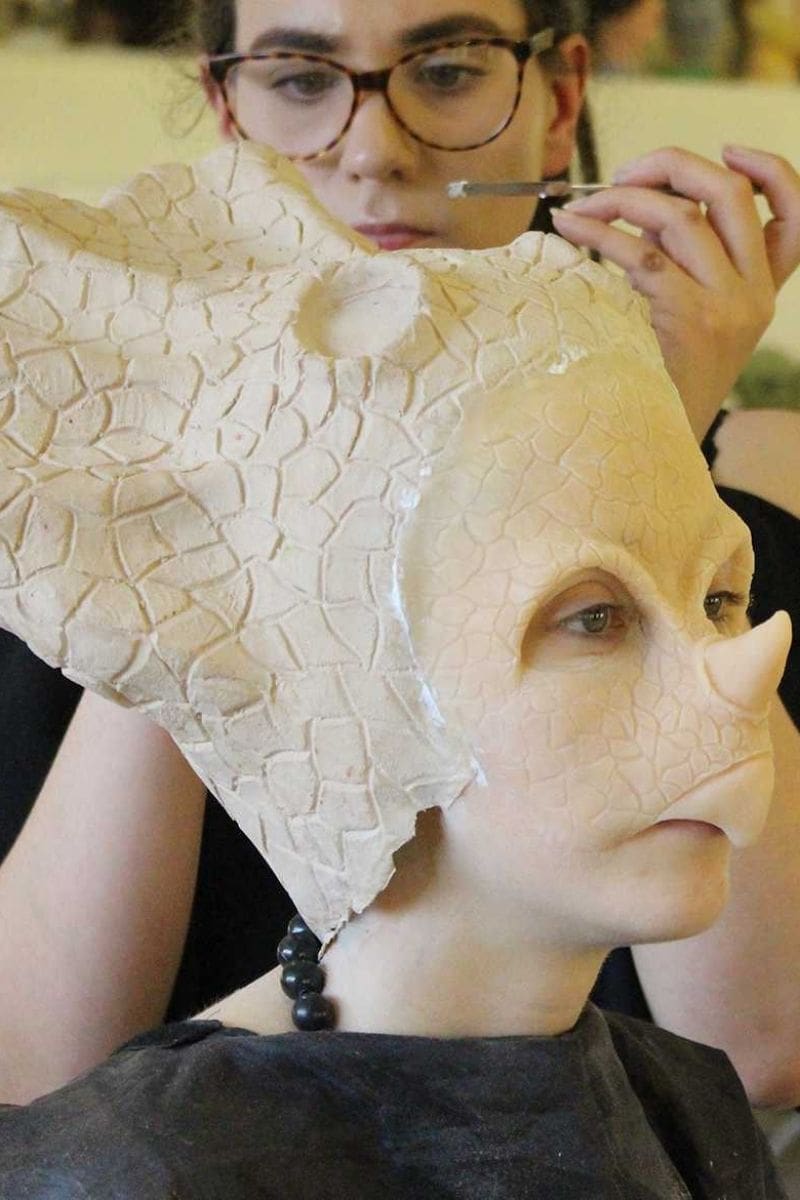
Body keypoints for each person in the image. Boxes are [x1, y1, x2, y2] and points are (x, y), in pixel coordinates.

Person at [0, 0, 798, 1110]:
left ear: (558, 99)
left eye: (449, 70)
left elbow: (759, 1049)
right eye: (299, 78)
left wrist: (643, 450)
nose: (375, 150)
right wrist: (223, 525)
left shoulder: (750, 503)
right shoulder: (69, 522)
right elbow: (37, 1083)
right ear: (228, 110)